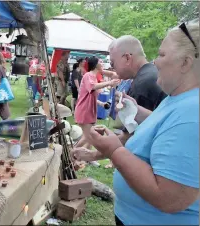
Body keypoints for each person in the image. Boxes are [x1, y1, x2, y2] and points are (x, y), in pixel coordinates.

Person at [76, 20, 199, 225]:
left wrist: (114, 151)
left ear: (185, 63)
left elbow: (171, 198)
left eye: (161, 55)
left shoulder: (192, 113)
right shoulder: (178, 98)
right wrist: (139, 112)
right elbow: (166, 127)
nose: (155, 62)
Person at [74, 56, 119, 149]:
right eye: (100, 62)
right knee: (89, 137)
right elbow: (93, 87)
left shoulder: (93, 77)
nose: (102, 63)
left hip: (90, 111)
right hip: (84, 111)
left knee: (91, 136)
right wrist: (109, 83)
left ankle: (87, 157)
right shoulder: (88, 75)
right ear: (95, 64)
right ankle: (73, 154)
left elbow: (89, 96)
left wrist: (102, 104)